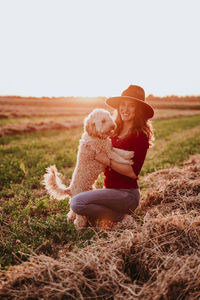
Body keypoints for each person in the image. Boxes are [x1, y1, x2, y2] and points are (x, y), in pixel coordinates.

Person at [70, 85, 154, 227]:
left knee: (77, 202)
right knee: (82, 201)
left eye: (131, 106)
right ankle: (106, 214)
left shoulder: (140, 137)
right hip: (109, 190)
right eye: (122, 105)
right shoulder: (113, 131)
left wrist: (107, 161)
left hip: (127, 194)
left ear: (138, 110)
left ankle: (121, 218)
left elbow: (133, 173)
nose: (125, 109)